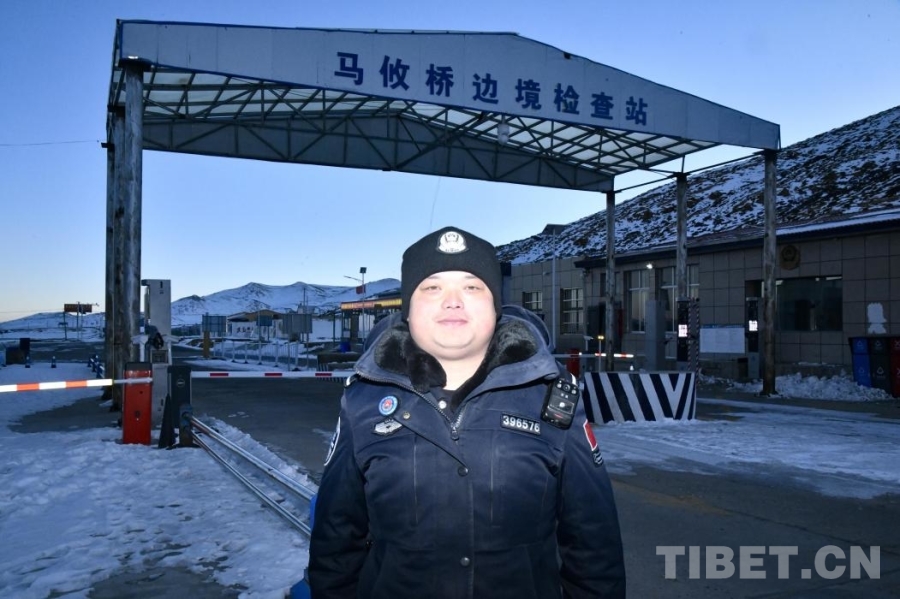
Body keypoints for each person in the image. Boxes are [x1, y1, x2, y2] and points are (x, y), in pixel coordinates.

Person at [308, 226, 625, 598]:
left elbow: (593, 543)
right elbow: (335, 539)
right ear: (408, 310)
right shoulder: (363, 400)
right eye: (432, 287)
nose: (453, 302)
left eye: (472, 287)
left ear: (495, 307)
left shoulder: (551, 397)